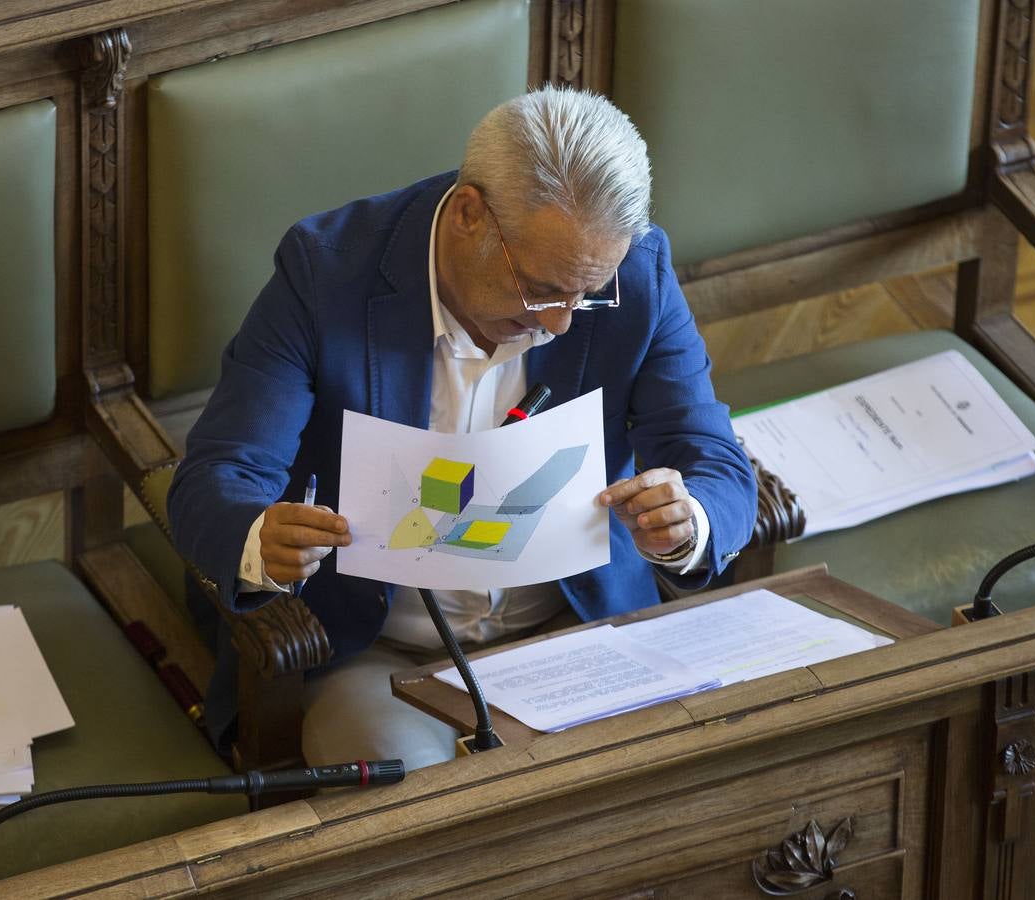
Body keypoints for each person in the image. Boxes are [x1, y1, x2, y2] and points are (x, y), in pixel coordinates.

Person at [168, 85, 758, 767]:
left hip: (577, 626)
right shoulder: (323, 273)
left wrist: (688, 523)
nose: (560, 321)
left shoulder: (637, 272)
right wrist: (259, 539)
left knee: (669, 788)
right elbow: (219, 474)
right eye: (542, 287)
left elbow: (712, 460)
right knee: (420, 815)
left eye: (587, 294)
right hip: (378, 650)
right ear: (469, 216)